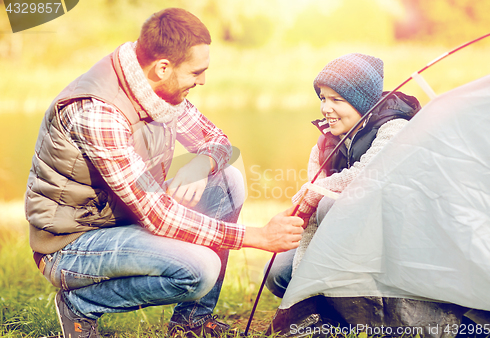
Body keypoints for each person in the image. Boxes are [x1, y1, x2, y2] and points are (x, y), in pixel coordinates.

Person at [25, 8, 304, 338]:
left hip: (124, 220)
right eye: (196, 72)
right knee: (201, 269)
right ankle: (80, 306)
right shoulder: (99, 113)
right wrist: (256, 236)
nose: (202, 80)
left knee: (228, 181)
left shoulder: (158, 87)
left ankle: (191, 323)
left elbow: (217, 142)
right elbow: (158, 217)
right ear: (162, 68)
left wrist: (201, 166)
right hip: (70, 246)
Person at [265, 53, 420, 298]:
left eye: (337, 99)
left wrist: (316, 192)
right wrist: (300, 287)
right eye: (323, 98)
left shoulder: (395, 128)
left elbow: (367, 174)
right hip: (339, 243)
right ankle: (329, 301)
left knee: (331, 202)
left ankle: (367, 299)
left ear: (362, 102)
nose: (326, 108)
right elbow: (313, 220)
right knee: (278, 272)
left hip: (392, 245)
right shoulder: (322, 146)